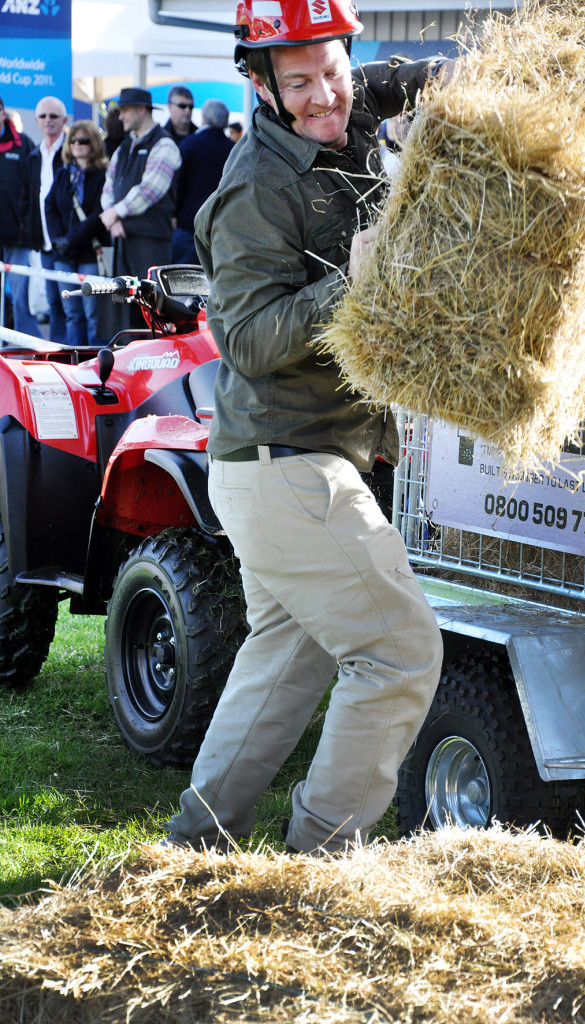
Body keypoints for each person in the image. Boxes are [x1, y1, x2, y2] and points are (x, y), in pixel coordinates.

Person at [162, 0, 448, 857]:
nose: (326, 97)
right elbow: (244, 343)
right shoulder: (253, 186)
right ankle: (320, 861)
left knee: (284, 666)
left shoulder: (346, 101)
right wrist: (349, 285)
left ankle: (193, 848)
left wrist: (479, 75)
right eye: (300, 82)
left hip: (290, 467)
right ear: (260, 83)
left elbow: (411, 79)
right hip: (286, 466)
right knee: (399, 653)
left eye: (334, 70)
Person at [100, 87, 181, 329]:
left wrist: (114, 213)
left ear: (141, 110)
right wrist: (112, 218)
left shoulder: (165, 145)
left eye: (124, 110)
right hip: (124, 242)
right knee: (123, 315)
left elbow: (149, 190)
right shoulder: (125, 146)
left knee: (150, 315)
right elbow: (109, 185)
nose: (120, 117)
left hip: (151, 246)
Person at [45, 121, 109, 346]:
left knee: (93, 315)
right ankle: (74, 365)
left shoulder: (103, 175)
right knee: (72, 314)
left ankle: (97, 364)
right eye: (73, 140)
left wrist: (70, 239)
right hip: (63, 255)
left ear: (94, 143)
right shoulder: (63, 174)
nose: (78, 145)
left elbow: (98, 214)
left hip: (89, 254)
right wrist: (57, 239)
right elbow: (49, 205)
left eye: (84, 140)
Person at [21, 95, 69, 343]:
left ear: (64, 120)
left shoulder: (72, 151)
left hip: (68, 240)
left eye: (54, 116)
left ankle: (77, 355)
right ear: (37, 120)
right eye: (43, 116)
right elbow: (28, 197)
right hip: (44, 241)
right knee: (52, 301)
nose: (48, 121)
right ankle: (60, 353)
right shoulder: (33, 155)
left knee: (70, 304)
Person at [171, 99, 234, 265]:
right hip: (223, 230)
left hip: (188, 227)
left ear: (204, 118)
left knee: (183, 283)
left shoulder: (190, 144)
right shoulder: (234, 149)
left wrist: (174, 213)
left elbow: (177, 184)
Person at [0, 94, 38, 335]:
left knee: (22, 300)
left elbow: (36, 190)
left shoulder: (24, 144)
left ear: (3, 113)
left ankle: (28, 351)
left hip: (18, 237)